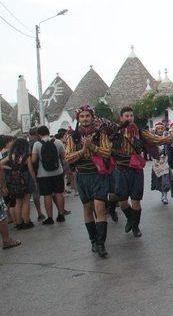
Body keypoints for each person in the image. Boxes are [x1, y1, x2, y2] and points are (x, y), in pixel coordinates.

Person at [111, 106, 173, 237]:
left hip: (136, 170)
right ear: (121, 118)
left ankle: (135, 226)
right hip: (121, 169)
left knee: (136, 200)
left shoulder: (140, 132)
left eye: (131, 116)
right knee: (122, 201)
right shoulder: (114, 133)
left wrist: (170, 137)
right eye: (126, 116)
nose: (129, 118)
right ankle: (131, 219)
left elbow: (156, 139)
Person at [65, 105, 113, 258]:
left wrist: (92, 146)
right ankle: (93, 240)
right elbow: (68, 157)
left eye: (87, 116)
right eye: (82, 116)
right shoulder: (73, 137)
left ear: (92, 117)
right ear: (78, 119)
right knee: (88, 208)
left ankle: (101, 243)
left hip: (98, 175)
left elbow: (107, 153)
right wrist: (82, 150)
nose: (85, 119)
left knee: (100, 208)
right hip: (82, 176)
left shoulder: (100, 135)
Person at [31, 125, 67, 225]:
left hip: (43, 174)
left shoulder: (37, 144)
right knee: (59, 193)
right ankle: (61, 215)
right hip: (58, 172)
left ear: (39, 134)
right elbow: (63, 157)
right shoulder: (58, 142)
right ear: (48, 132)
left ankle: (50, 218)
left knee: (47, 196)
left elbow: (33, 160)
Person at [0, 138, 36, 230]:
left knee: (18, 201)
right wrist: (34, 180)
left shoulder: (11, 155)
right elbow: (31, 170)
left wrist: (9, 168)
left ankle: (19, 222)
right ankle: (26, 221)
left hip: (14, 178)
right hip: (26, 178)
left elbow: (0, 164)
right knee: (26, 201)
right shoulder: (26, 156)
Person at [150, 122, 172, 205]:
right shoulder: (152, 138)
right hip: (157, 162)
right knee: (159, 180)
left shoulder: (167, 137)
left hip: (166, 161)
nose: (160, 130)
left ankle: (165, 196)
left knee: (165, 179)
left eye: (161, 128)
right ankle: (162, 195)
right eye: (158, 128)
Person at [27, 127, 46, 222]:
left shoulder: (28, 145)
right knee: (49, 193)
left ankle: (39, 213)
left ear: (30, 135)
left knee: (35, 194)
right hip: (44, 170)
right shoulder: (41, 143)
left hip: (32, 172)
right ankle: (60, 211)